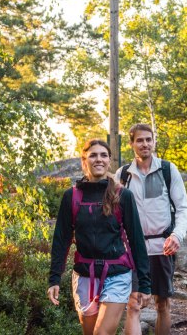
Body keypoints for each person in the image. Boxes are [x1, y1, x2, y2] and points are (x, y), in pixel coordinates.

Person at [48, 139, 151, 335]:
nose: (99, 159)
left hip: (117, 274)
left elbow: (136, 241)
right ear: (84, 160)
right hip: (84, 275)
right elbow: (61, 240)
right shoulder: (72, 196)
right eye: (93, 155)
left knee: (101, 333)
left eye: (103, 155)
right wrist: (54, 278)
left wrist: (144, 284)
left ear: (109, 161)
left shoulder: (123, 195)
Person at [118, 124, 187, 335]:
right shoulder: (123, 175)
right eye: (140, 140)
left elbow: (183, 207)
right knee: (133, 305)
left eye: (149, 139)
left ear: (154, 142)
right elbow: (113, 213)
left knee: (163, 304)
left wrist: (177, 235)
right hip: (132, 251)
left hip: (162, 247)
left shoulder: (168, 170)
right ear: (131, 144)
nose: (145, 144)